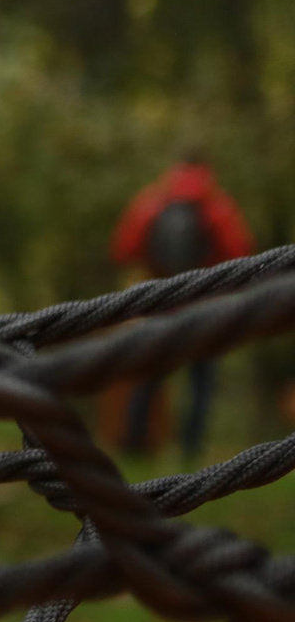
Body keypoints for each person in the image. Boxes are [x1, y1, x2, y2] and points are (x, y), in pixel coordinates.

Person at [110, 151, 252, 460]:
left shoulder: (152, 202)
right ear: (206, 170)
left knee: (149, 377)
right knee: (201, 383)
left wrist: (152, 272)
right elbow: (240, 252)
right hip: (205, 305)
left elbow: (123, 248)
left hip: (161, 303)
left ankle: (135, 446)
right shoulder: (217, 206)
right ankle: (191, 450)